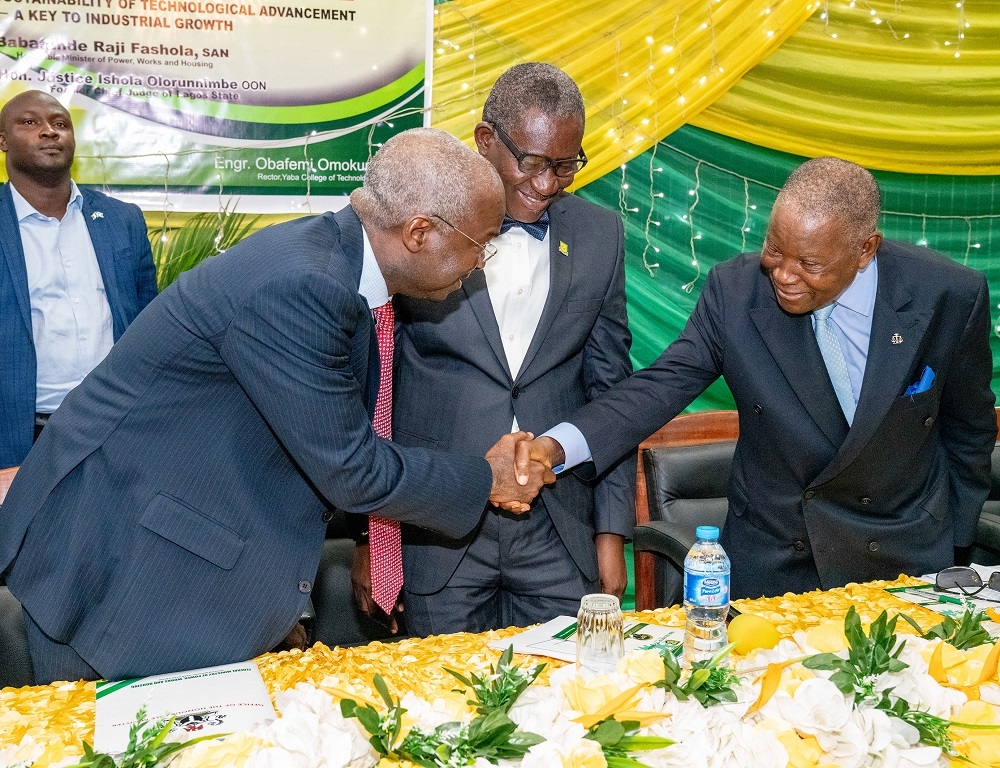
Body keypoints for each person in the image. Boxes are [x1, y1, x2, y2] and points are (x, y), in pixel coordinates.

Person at [0, 127, 554, 684]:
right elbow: (351, 469)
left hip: (174, 547)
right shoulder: (304, 285)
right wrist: (486, 479)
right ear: (419, 232)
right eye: (482, 242)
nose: (481, 262)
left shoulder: (329, 265)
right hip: (121, 569)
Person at [518, 156, 996, 600]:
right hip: (776, 561)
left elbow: (968, 429)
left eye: (809, 264)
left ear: (865, 250)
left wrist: (955, 544)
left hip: (900, 560)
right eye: (774, 249)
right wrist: (557, 447)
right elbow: (658, 387)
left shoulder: (947, 294)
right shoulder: (736, 291)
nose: (783, 274)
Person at [350, 63, 635, 636]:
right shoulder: (422, 227)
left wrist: (611, 532)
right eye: (532, 162)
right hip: (439, 531)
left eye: (565, 166)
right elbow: (377, 390)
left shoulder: (602, 235)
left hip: (559, 530)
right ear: (485, 141)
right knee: (444, 708)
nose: (548, 184)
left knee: (564, 706)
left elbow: (612, 393)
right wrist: (372, 537)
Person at [0, 90, 157, 469]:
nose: (49, 132)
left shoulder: (124, 220)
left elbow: (150, 324)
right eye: (30, 122)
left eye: (60, 124)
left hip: (116, 426)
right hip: (19, 434)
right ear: (2, 142)